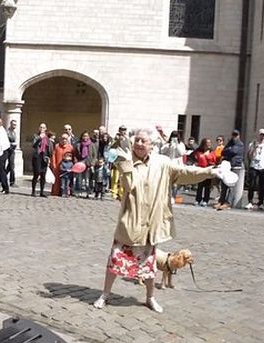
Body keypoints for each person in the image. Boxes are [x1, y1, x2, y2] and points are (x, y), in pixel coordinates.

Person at [93, 127, 221, 313]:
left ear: (151, 145)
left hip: (151, 223)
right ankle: (105, 294)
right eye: (136, 140)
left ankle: (150, 297)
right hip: (130, 223)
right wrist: (125, 164)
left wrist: (210, 171)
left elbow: (185, 172)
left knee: (149, 266)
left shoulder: (162, 163)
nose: (138, 144)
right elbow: (129, 187)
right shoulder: (127, 162)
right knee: (115, 261)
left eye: (143, 141)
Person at [215, 129, 244, 210]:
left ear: (239, 136)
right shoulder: (230, 143)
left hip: (235, 166)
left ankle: (228, 203)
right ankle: (221, 201)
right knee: (224, 184)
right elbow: (223, 152)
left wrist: (228, 150)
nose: (234, 136)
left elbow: (233, 151)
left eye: (236, 135)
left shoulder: (240, 144)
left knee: (231, 185)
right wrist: (228, 150)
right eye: (233, 135)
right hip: (227, 165)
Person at [245, 128, 264, 209]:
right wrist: (254, 148)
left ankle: (261, 202)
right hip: (254, 165)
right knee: (251, 185)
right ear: (258, 135)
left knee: (262, 185)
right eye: (261, 134)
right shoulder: (252, 144)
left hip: (263, 166)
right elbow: (249, 156)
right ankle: (250, 201)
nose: (262, 136)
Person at [192, 138, 217, 206]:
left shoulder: (212, 152)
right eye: (207, 143)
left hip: (208, 169)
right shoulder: (199, 151)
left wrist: (208, 157)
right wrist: (195, 163)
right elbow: (194, 157)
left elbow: (214, 161)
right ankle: (198, 199)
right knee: (200, 186)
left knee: (207, 186)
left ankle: (206, 200)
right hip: (201, 170)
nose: (208, 144)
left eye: (209, 143)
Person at [31, 123, 53, 197]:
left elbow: (49, 148)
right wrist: (39, 138)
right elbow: (34, 145)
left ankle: (41, 192)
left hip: (44, 157)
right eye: (41, 127)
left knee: (43, 175)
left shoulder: (47, 138)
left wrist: (49, 157)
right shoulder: (36, 136)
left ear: (46, 129)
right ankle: (33, 191)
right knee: (36, 173)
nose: (42, 129)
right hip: (37, 157)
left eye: (44, 127)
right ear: (39, 128)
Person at [6, 119, 18, 187]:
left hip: (12, 150)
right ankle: (11, 181)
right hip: (8, 150)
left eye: (15, 125)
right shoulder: (7, 132)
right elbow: (6, 141)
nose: (14, 126)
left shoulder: (14, 132)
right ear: (10, 124)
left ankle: (10, 180)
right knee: (11, 166)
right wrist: (12, 144)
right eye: (13, 124)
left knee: (10, 166)